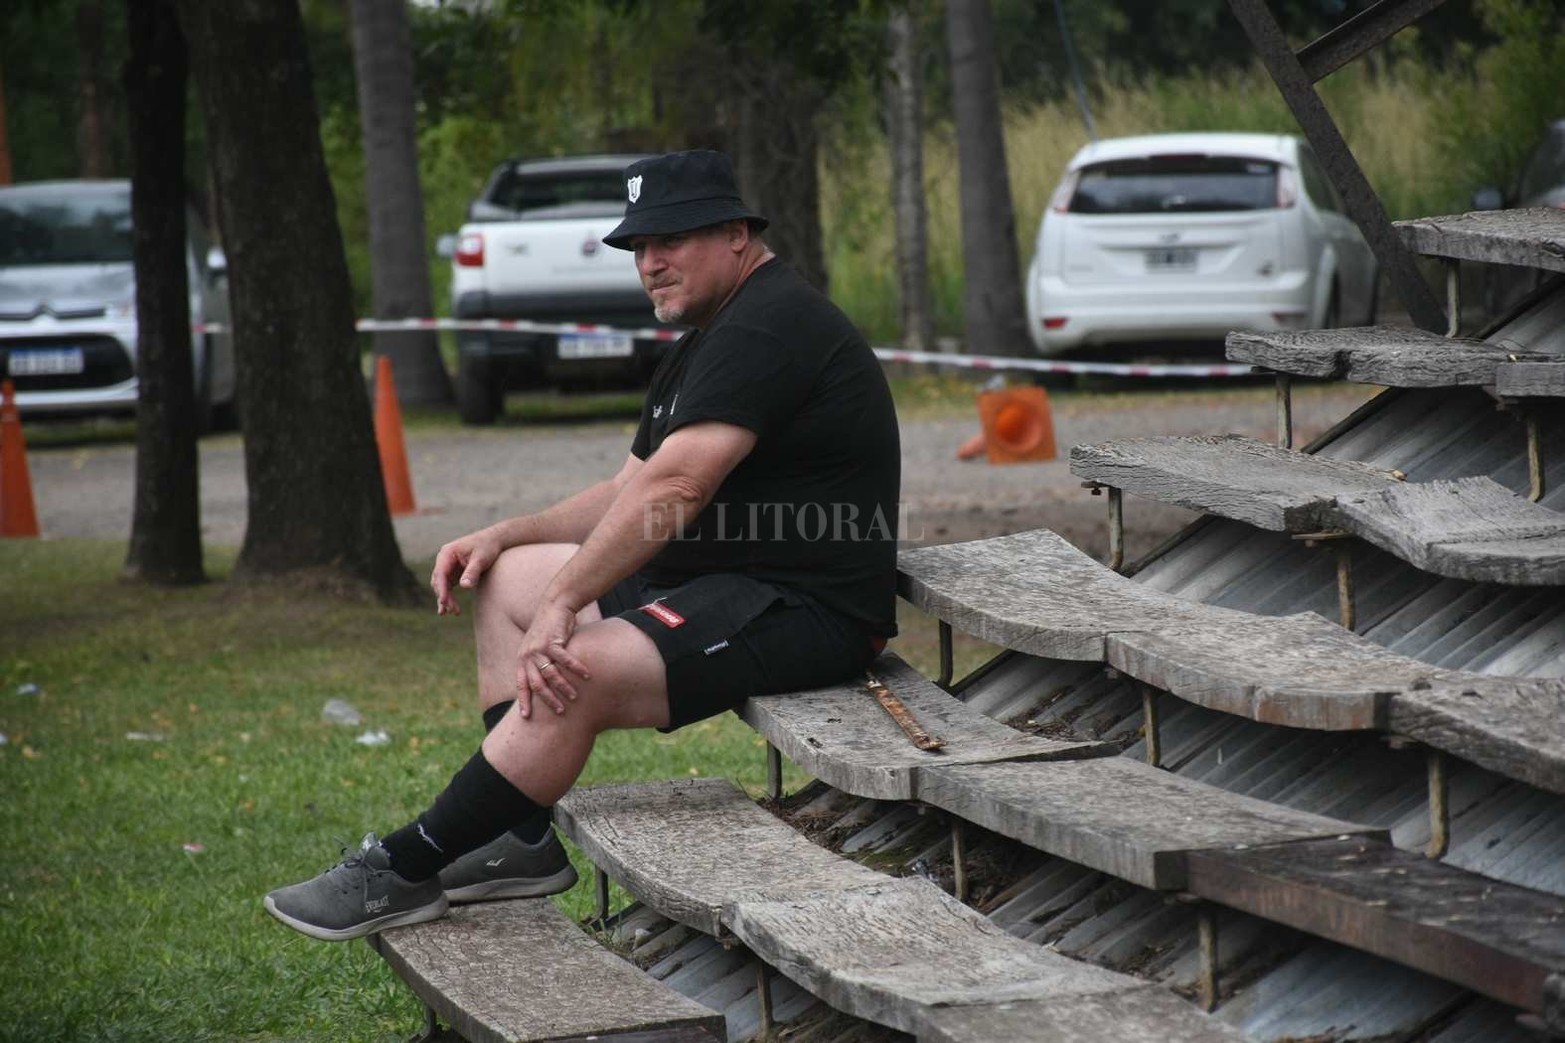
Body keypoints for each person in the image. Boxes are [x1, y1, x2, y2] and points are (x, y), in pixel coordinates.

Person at [264, 149, 902, 941]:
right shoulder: (710, 333)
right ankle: (515, 838)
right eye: (637, 246)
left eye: (670, 238)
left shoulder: (771, 323)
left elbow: (675, 492)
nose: (650, 262)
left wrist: (566, 601)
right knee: (506, 580)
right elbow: (629, 487)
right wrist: (507, 535)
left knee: (580, 665)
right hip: (724, 578)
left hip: (805, 604)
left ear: (737, 233)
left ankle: (403, 864)